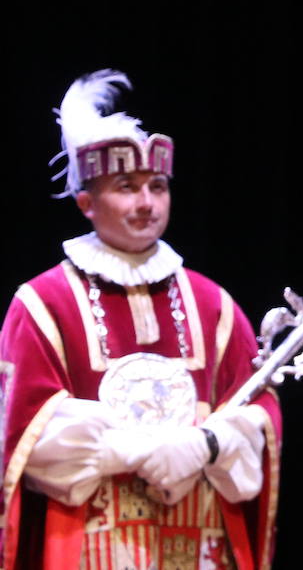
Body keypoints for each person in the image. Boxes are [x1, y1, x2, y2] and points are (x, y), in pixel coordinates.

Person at [0, 71, 280, 570]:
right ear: (86, 203)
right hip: (90, 545)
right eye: (126, 188)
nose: (146, 203)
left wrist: (204, 443)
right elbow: (27, 430)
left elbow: (258, 411)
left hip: (200, 544)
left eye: (157, 186)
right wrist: (127, 450)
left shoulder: (212, 304)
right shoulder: (43, 303)